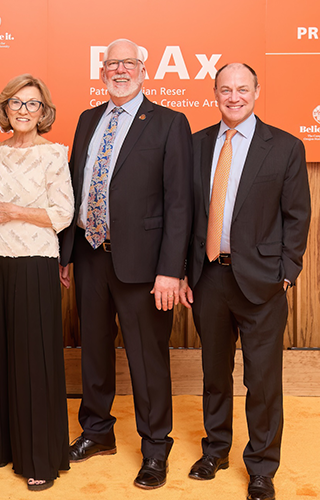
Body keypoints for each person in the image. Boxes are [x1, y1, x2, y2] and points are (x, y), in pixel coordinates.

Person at [58, 38, 193, 489]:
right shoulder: (87, 119)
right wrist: (66, 254)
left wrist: (170, 270)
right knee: (94, 351)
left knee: (147, 359)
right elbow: (75, 191)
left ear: (143, 69)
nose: (120, 69)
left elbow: (179, 203)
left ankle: (156, 448)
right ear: (102, 71)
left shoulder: (170, 123)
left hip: (145, 265)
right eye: (112, 63)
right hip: (91, 255)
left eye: (128, 63)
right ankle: (97, 432)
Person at [179, 63, 311, 500]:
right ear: (214, 93)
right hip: (209, 277)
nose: (233, 97)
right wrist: (183, 269)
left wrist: (287, 274)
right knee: (215, 373)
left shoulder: (286, 147)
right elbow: (186, 214)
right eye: (224, 90)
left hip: (263, 283)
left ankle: (261, 466)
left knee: (262, 380)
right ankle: (215, 449)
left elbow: (298, 216)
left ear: (257, 91)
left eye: (241, 89)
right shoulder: (196, 145)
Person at [0, 74, 73, 492]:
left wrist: (14, 211)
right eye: (17, 103)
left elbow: (62, 213)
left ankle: (37, 457)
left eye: (33, 104)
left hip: (33, 263)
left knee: (32, 359)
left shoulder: (54, 154)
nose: (24, 110)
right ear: (4, 108)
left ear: (44, 113)